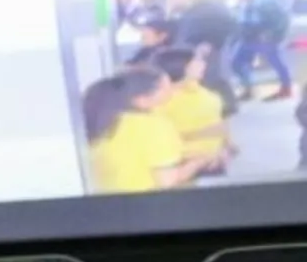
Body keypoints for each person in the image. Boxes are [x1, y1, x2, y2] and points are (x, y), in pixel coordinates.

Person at [83, 65, 206, 193]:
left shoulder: (104, 123)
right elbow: (167, 181)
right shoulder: (154, 126)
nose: (172, 92)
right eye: (166, 89)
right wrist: (199, 162)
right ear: (142, 100)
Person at [153, 46, 232, 176]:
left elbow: (218, 122)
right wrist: (201, 134)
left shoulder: (201, 90)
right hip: (183, 165)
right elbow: (160, 138)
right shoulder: (161, 100)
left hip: (215, 162)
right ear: (179, 67)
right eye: (196, 62)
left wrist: (225, 147)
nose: (203, 65)